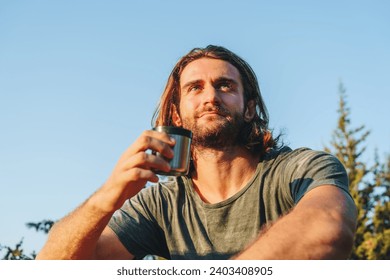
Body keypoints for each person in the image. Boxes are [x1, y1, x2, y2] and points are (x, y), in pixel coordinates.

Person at [36, 45, 357, 260]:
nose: (211, 97)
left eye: (225, 85)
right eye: (195, 87)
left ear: (249, 109)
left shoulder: (301, 168)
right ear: (176, 115)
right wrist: (106, 197)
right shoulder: (160, 204)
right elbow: (53, 269)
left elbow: (327, 229)